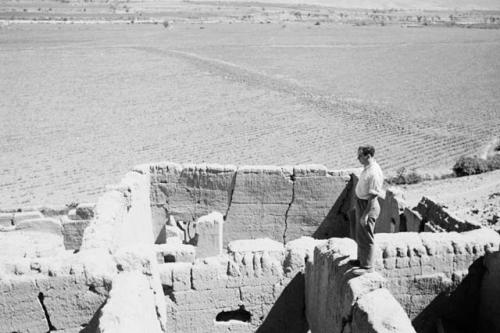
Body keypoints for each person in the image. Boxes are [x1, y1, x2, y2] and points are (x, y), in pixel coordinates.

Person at [353, 145, 384, 274]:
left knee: (367, 236)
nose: (358, 158)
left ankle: (367, 267)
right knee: (360, 234)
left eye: (360, 155)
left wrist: (365, 215)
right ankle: (361, 260)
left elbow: (372, 197)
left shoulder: (374, 173)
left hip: (368, 206)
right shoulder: (367, 168)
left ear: (368, 155)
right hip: (362, 203)